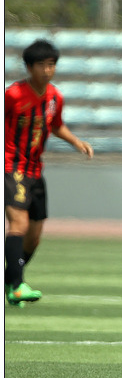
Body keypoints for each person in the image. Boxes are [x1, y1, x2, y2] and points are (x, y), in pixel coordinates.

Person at [5, 39, 94, 307]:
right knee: (18, 224)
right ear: (29, 67)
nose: (47, 70)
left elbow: (55, 125)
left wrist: (76, 141)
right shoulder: (13, 95)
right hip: (11, 167)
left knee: (34, 237)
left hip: (35, 170)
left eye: (51, 65)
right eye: (41, 65)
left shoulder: (55, 97)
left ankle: (10, 280)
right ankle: (17, 286)